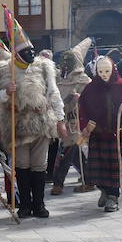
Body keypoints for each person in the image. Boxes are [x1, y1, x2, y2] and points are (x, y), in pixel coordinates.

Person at [0, 32, 65, 220]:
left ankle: (39, 204)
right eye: (26, 50)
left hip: (41, 122)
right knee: (22, 165)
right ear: (16, 54)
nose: (31, 53)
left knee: (39, 165)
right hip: (17, 124)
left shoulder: (44, 67)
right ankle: (24, 205)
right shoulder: (3, 70)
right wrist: (7, 92)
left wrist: (60, 120)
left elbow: (54, 93)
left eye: (32, 49)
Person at [78, 55, 122, 212]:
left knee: (114, 167)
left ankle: (113, 197)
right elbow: (82, 107)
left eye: (107, 71)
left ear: (113, 70)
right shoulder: (91, 88)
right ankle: (104, 190)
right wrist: (84, 126)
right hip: (98, 134)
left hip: (117, 133)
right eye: (100, 71)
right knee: (98, 167)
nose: (104, 74)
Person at [51, 38, 93, 195]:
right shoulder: (59, 78)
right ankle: (89, 180)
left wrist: (78, 98)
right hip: (62, 120)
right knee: (75, 153)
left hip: (76, 122)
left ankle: (58, 184)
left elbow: (91, 98)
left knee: (68, 150)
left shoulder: (84, 80)